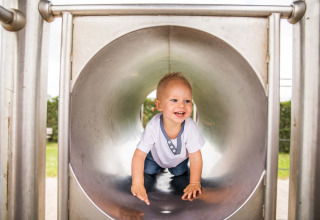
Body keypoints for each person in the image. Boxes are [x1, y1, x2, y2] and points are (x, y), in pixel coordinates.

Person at [131, 72, 205, 205]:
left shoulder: (190, 127)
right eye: (174, 100)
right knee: (149, 171)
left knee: (180, 173)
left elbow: (195, 157)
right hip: (155, 157)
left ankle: (174, 169)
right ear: (159, 105)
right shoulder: (153, 126)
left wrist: (195, 183)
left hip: (179, 160)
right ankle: (158, 168)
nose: (181, 105)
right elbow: (139, 155)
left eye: (187, 101)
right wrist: (137, 183)